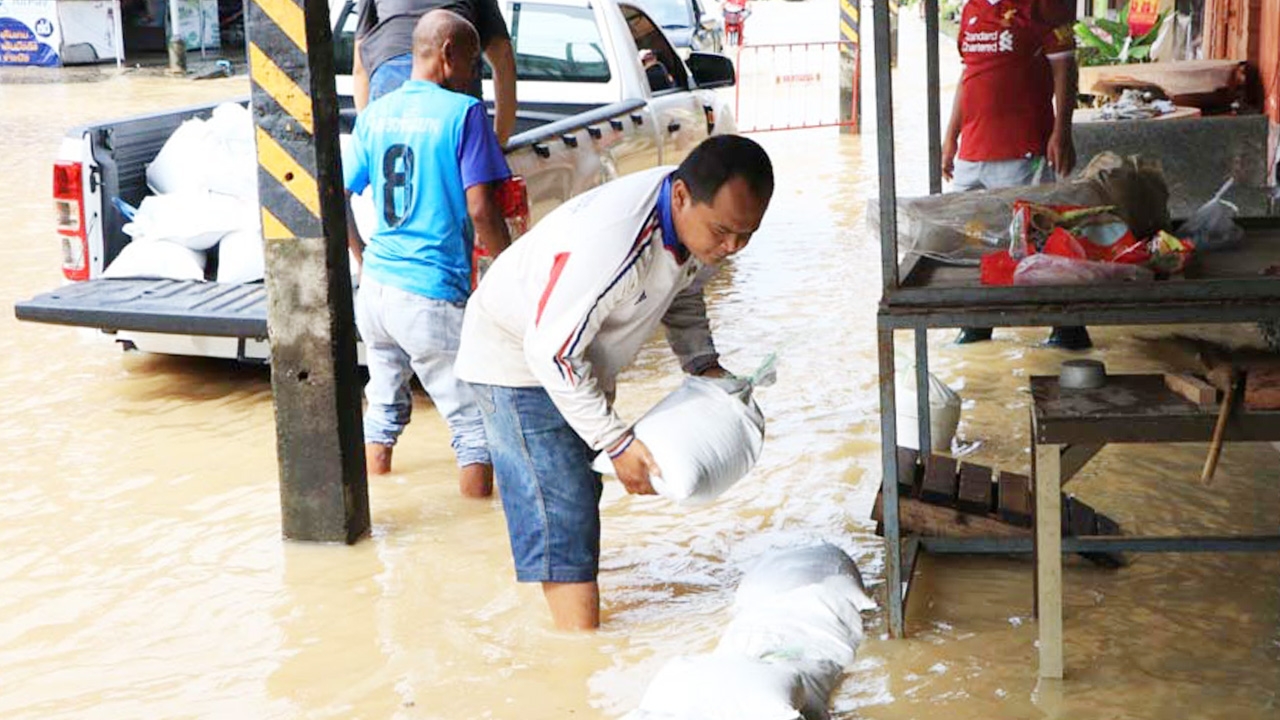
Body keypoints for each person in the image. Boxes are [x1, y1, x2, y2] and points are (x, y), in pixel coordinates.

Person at [455, 135, 774, 630]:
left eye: (746, 236)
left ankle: (575, 619)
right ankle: (576, 662)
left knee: (579, 497)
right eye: (723, 232)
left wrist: (704, 365)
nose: (731, 247)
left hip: (571, 356)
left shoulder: (693, 230)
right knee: (562, 512)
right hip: (518, 360)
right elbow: (550, 352)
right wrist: (617, 440)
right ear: (683, 196)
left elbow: (683, 290)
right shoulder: (617, 241)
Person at [343, 10, 513, 497]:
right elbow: (481, 209)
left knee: (382, 409)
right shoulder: (463, 115)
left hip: (375, 291)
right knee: (473, 426)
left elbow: (334, 194)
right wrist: (509, 270)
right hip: (431, 293)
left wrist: (362, 255)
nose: (472, 76)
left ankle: (377, 497)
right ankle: (476, 530)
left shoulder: (375, 114)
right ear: (448, 56)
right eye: (472, 65)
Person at [940, 0, 1092, 350]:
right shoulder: (971, 10)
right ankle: (979, 324)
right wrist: (950, 138)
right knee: (975, 242)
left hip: (1023, 148)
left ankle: (1067, 328)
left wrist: (1062, 132)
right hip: (972, 153)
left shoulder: (1041, 7)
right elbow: (969, 76)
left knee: (1036, 238)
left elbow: (1064, 68)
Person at [353, 0, 517, 146]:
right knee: (458, 166)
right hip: (452, 60)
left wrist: (366, 132)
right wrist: (499, 143)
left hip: (389, 61)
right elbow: (502, 55)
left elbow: (360, 65)